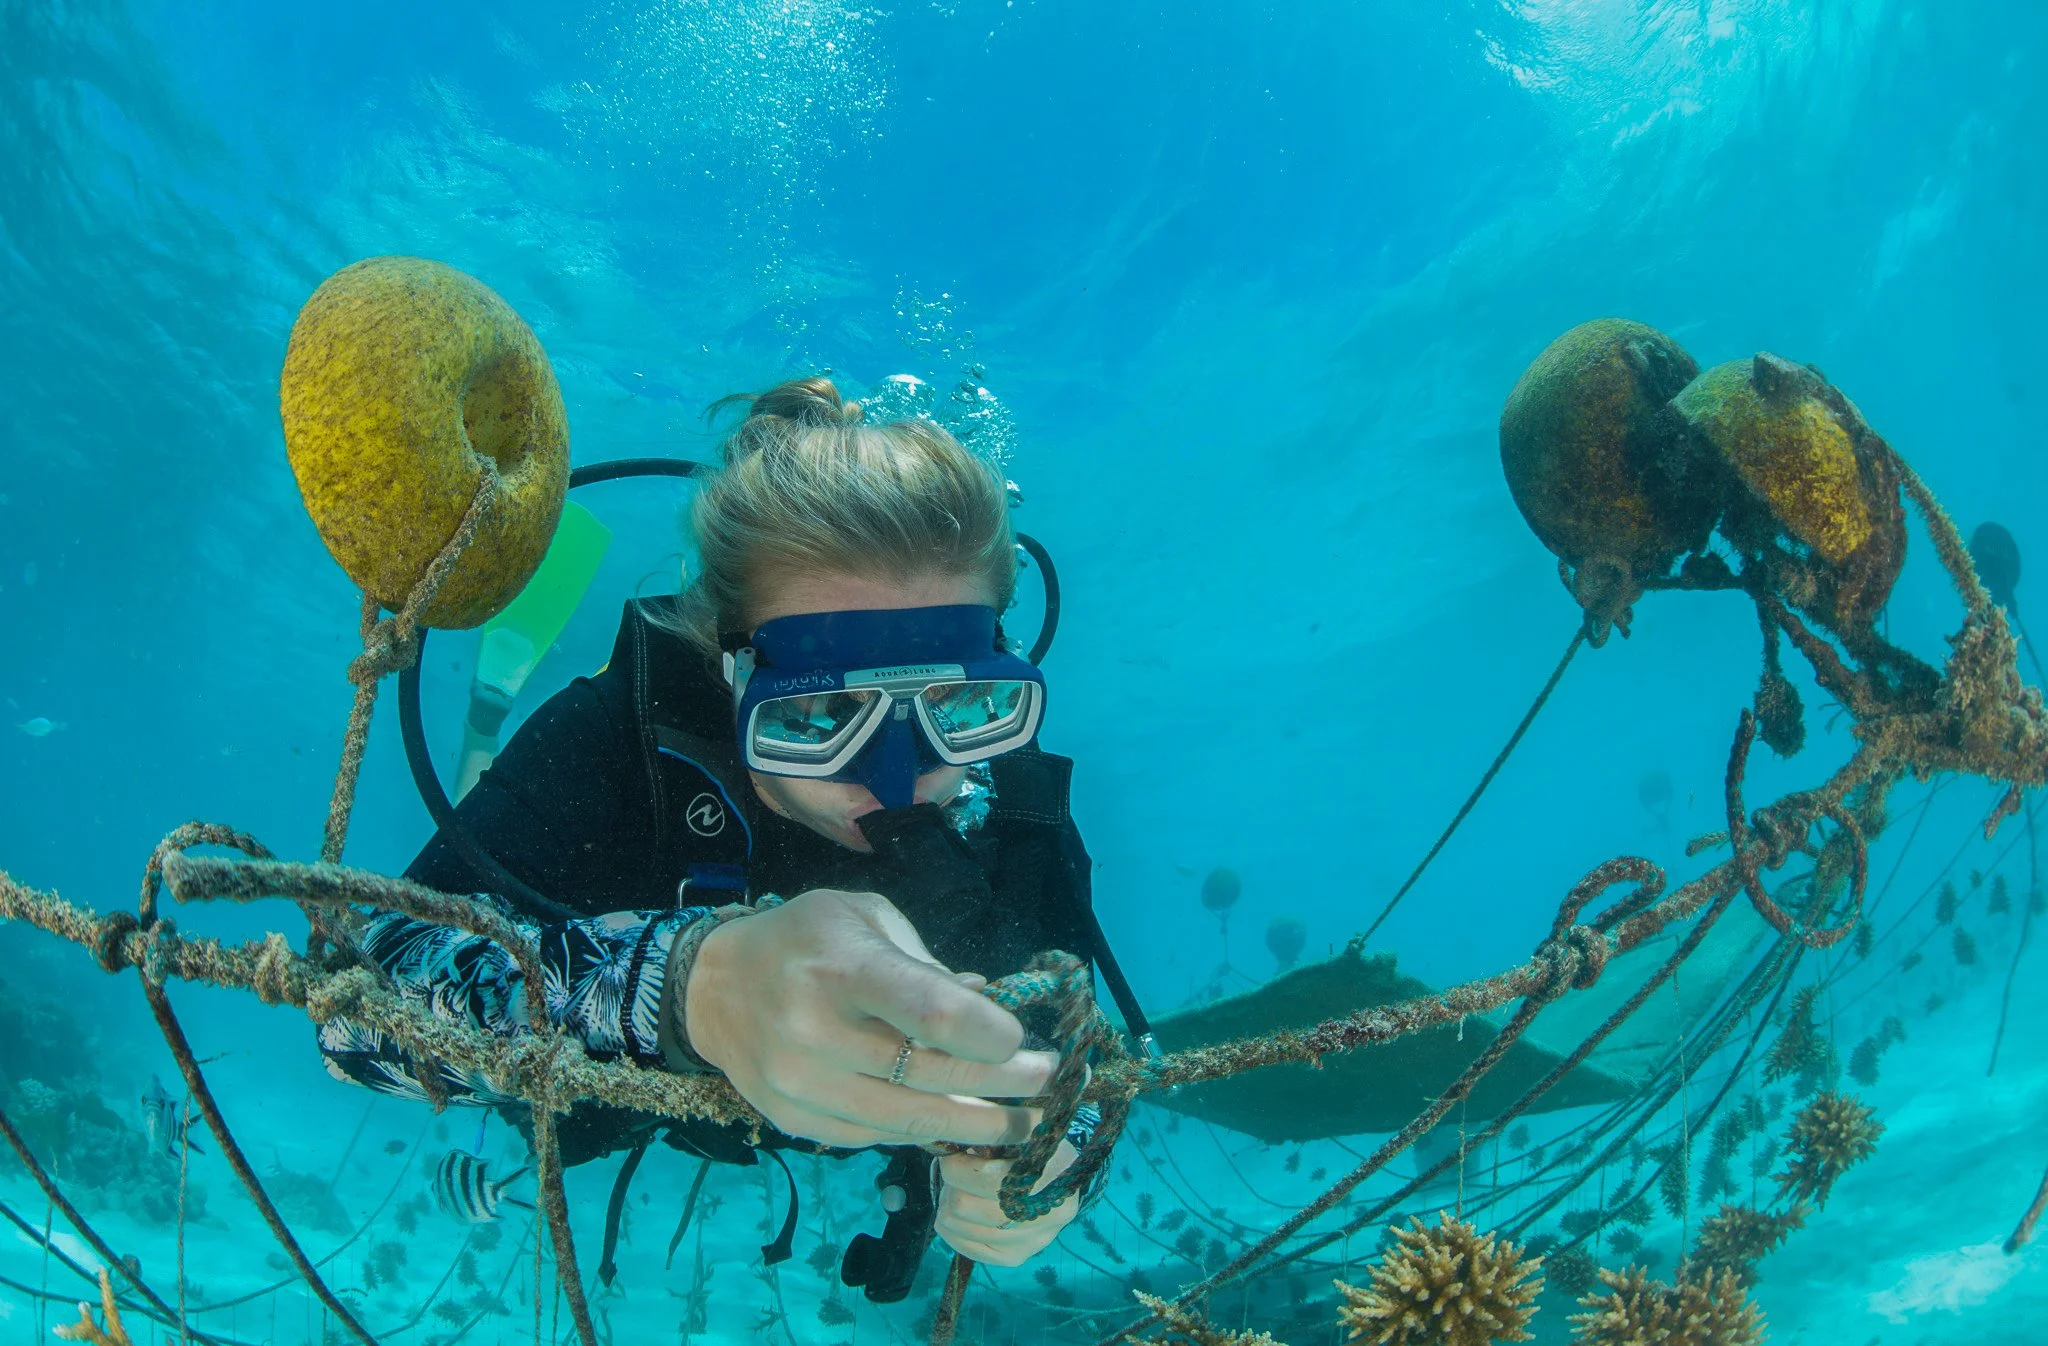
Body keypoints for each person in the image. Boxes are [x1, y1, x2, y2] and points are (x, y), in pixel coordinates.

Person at [317, 377, 1107, 1293]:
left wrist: (1051, 1157)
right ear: (728, 670)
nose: (897, 778)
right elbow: (351, 1017)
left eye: (960, 708)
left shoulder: (1004, 796)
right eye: (815, 718)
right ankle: (481, 746)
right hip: (628, 1077)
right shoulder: (618, 738)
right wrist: (685, 987)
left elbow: (1083, 1050)